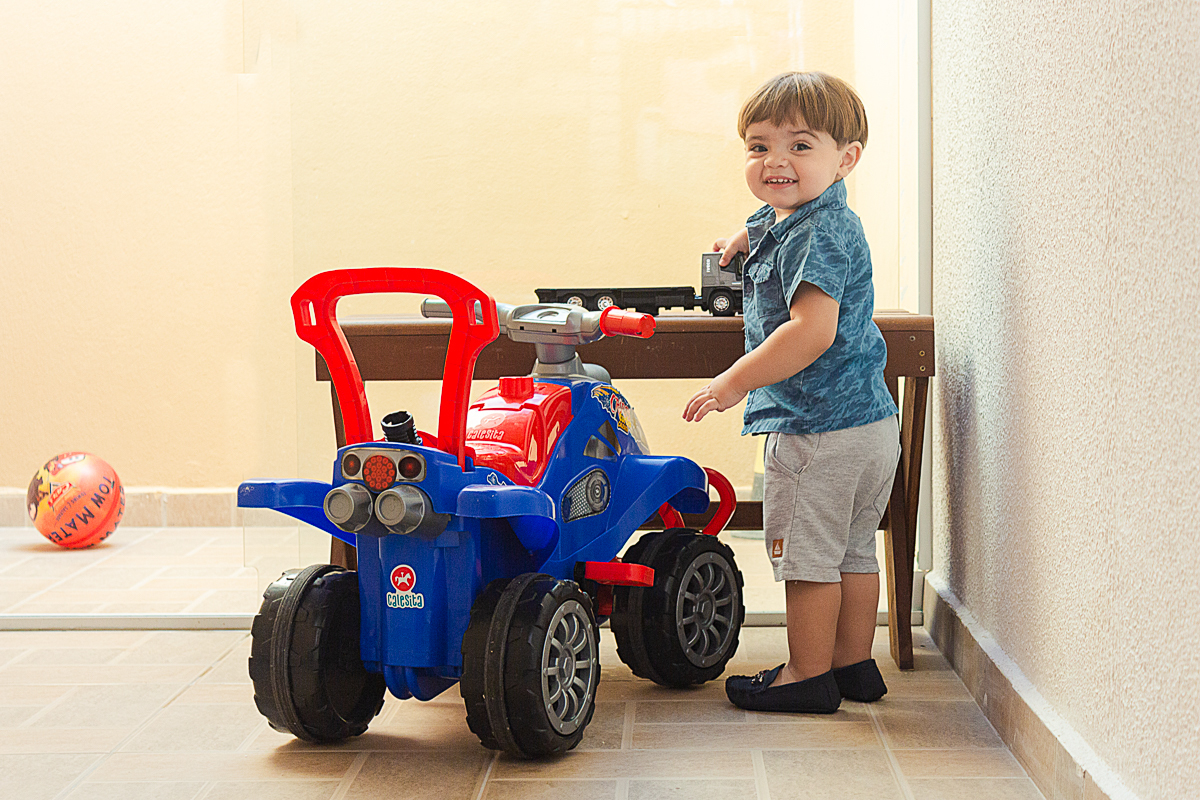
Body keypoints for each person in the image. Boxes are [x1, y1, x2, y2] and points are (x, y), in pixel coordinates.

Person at [683, 71, 900, 713]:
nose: (776, 161)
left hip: (817, 431)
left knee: (807, 560)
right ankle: (853, 666)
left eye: (800, 146)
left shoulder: (812, 232)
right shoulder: (817, 218)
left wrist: (732, 383)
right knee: (854, 552)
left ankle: (805, 676)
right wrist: (742, 239)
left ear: (846, 159)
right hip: (870, 424)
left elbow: (811, 330)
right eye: (759, 146)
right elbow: (773, 223)